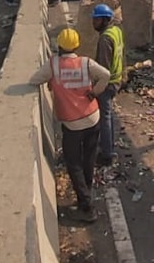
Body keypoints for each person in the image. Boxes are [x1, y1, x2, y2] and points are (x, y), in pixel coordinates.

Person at [30, 28, 110, 223]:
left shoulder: (54, 66)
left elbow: (34, 80)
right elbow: (106, 75)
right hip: (92, 117)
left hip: (72, 123)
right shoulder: (85, 63)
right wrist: (94, 92)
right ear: (77, 45)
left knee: (73, 163)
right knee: (88, 158)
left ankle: (86, 205)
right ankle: (87, 192)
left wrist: (52, 81)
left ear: (59, 46)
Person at [92, 3, 125, 164]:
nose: (94, 23)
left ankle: (107, 154)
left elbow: (103, 69)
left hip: (108, 83)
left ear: (104, 20)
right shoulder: (116, 32)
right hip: (116, 80)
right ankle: (109, 145)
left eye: (96, 20)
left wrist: (95, 89)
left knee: (104, 117)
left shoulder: (105, 39)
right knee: (109, 115)